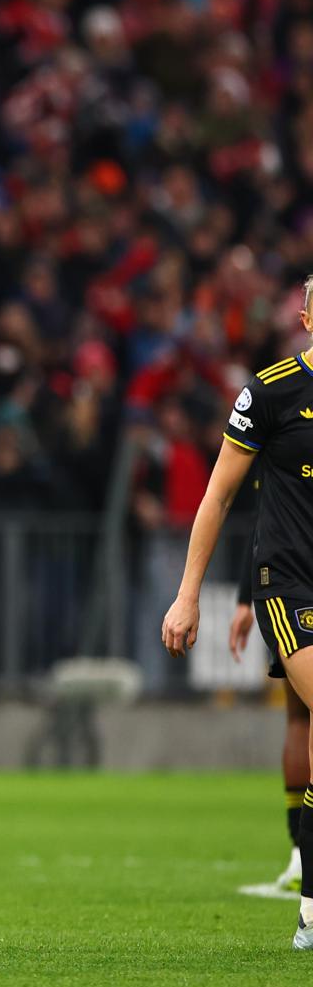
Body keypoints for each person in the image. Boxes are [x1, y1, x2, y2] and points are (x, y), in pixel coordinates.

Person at [163, 275, 313, 949]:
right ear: (307, 316)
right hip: (291, 584)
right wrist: (189, 593)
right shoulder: (272, 389)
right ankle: (309, 899)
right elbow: (219, 496)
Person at [227, 476, 310, 894]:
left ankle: (299, 852)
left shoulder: (276, 434)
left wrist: (246, 598)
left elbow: (266, 519)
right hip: (294, 582)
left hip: (288, 583)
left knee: (300, 720)